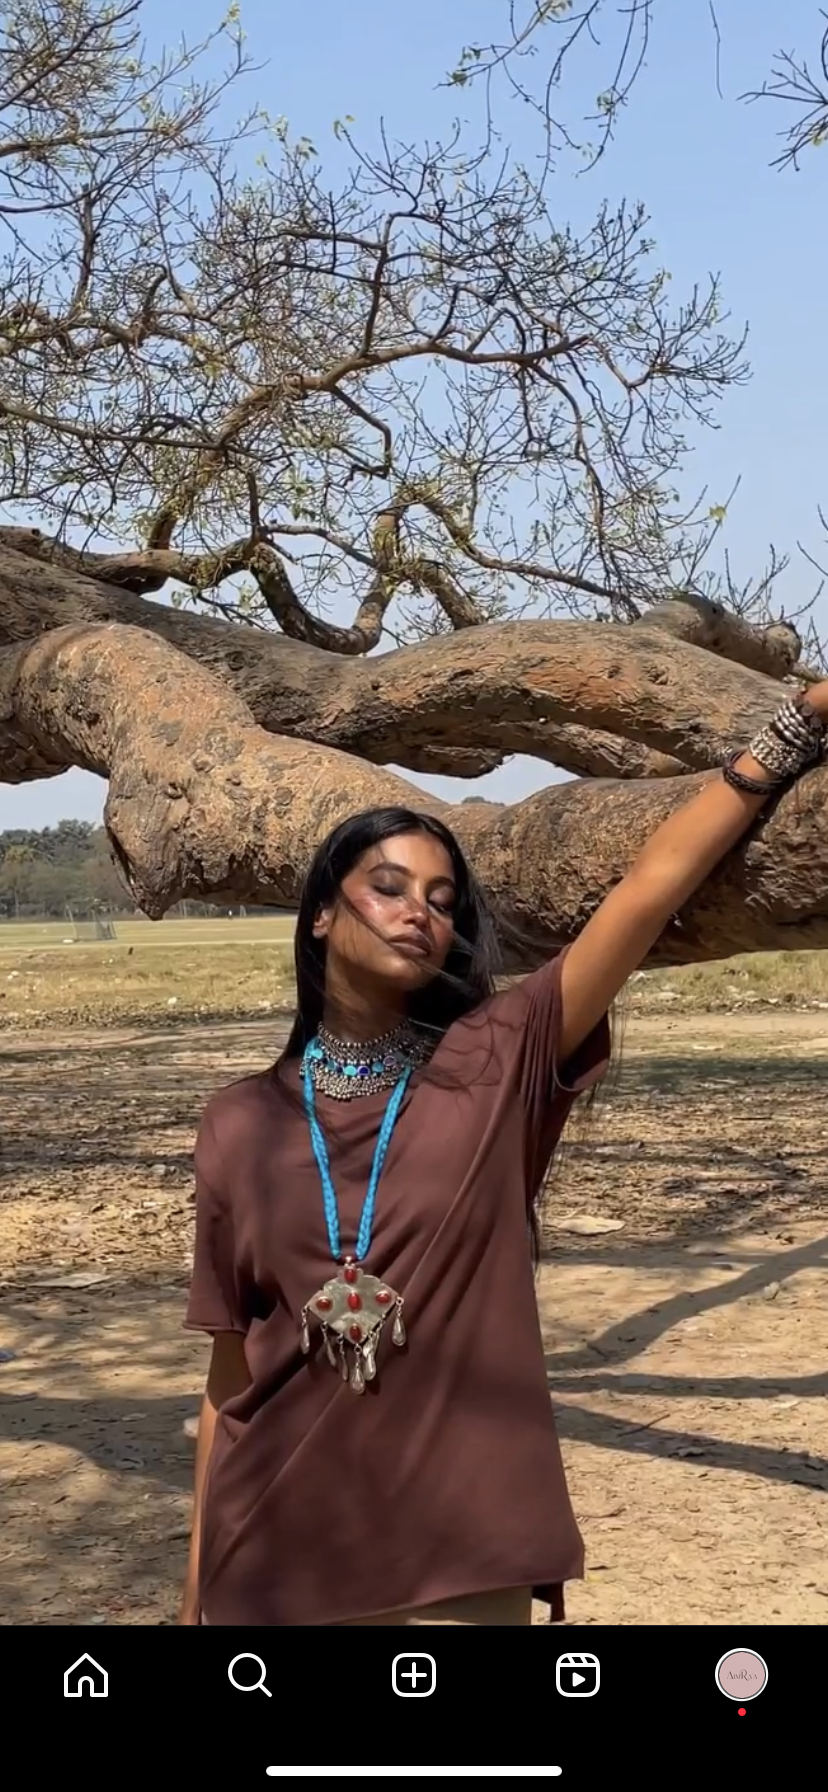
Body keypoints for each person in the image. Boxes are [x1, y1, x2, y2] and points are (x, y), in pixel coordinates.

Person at [180, 682, 828, 1626]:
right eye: (388, 887)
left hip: (461, 1550)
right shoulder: (237, 1122)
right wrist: (197, 1596)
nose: (418, 913)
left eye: (442, 901)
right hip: (273, 1556)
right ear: (321, 914)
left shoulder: (496, 1058)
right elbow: (230, 1378)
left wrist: (796, 730)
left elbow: (647, 893)